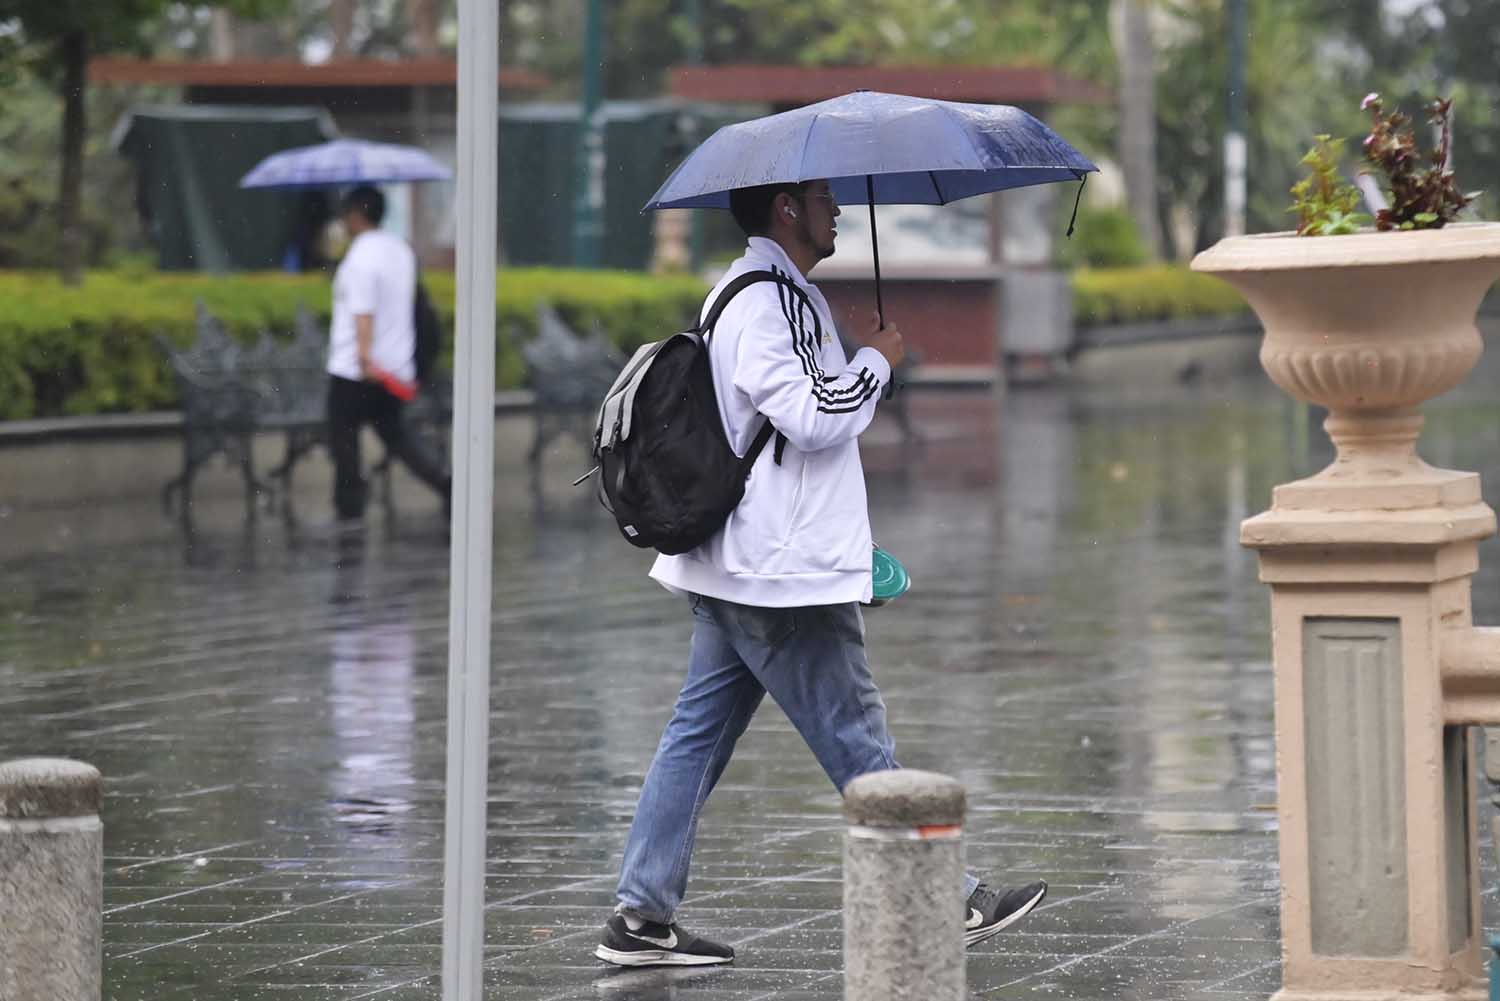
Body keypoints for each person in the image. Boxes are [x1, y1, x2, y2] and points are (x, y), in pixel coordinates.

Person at [595, 178, 1047, 968]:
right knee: (855, 738)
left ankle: (641, 914)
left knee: (695, 736)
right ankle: (954, 895)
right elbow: (812, 415)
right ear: (787, 209)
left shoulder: (771, 293)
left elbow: (803, 415)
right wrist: (876, 358)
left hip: (747, 564)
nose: (837, 209)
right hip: (780, 572)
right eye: (823, 197)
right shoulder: (765, 301)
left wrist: (865, 356)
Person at [324, 185, 451, 523]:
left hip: (357, 368)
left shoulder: (361, 256)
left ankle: (349, 506)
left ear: (355, 215)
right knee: (396, 435)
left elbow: (363, 310)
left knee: (343, 438)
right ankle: (443, 481)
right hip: (394, 367)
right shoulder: (400, 250)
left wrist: (364, 356)